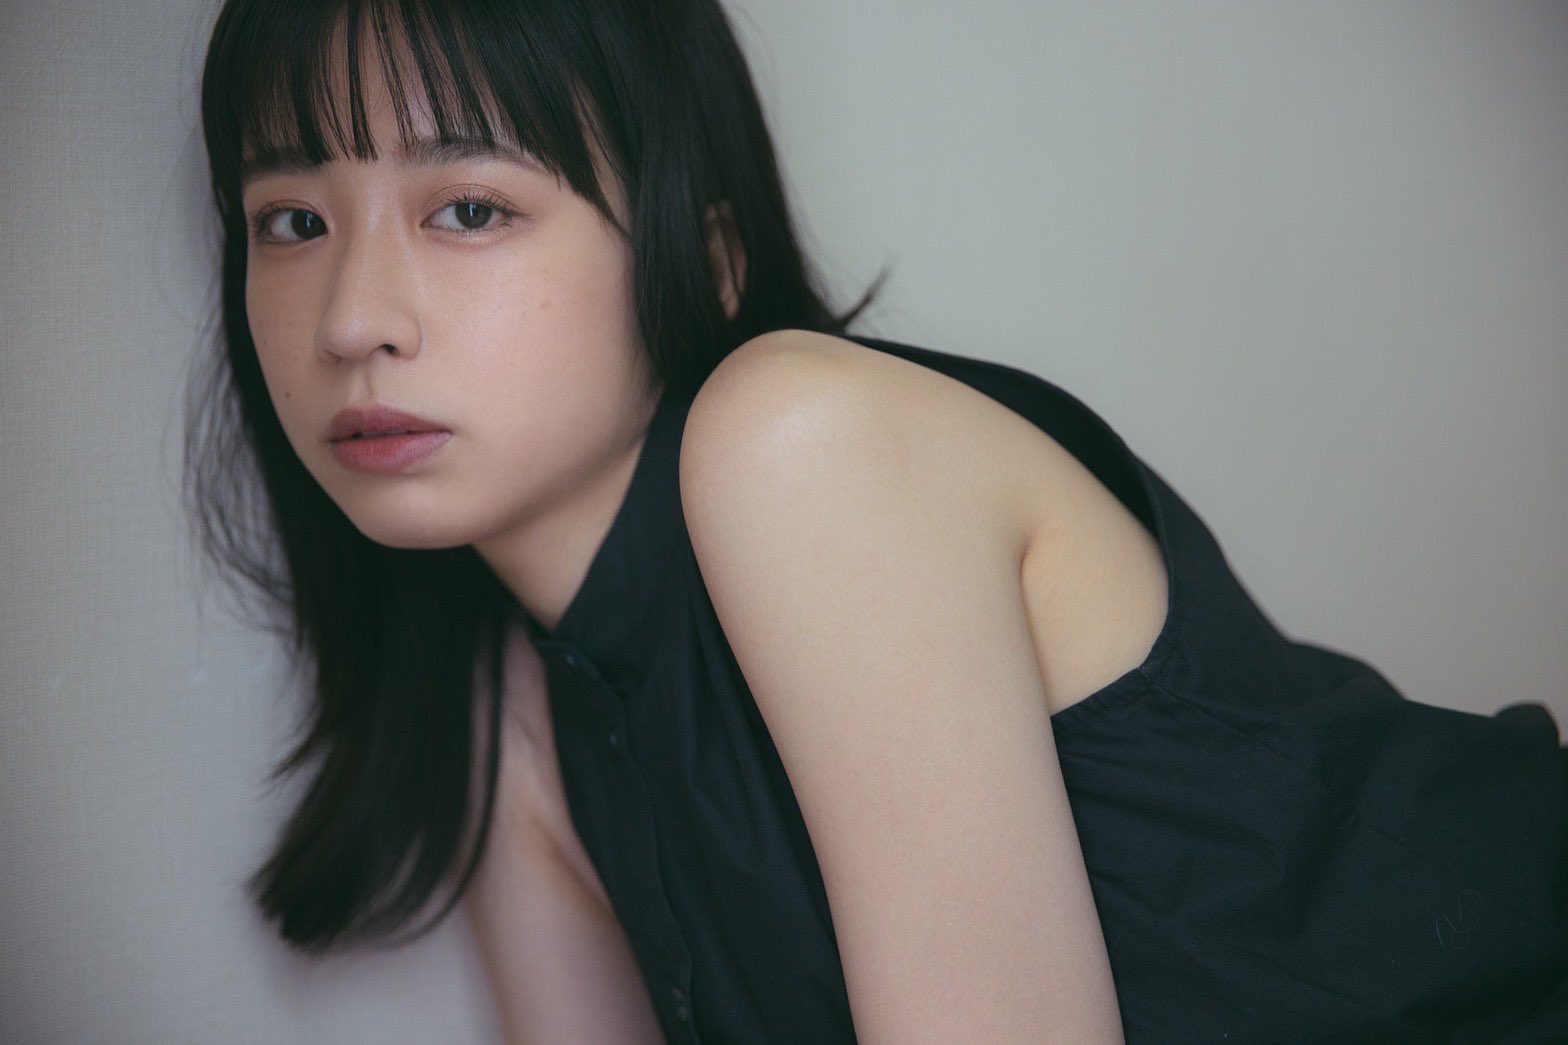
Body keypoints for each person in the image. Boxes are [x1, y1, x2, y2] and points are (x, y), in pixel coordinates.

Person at [190, 0, 1568, 1040]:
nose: (352, 321)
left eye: (469, 207)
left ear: (708, 258)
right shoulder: (513, 715)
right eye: (292, 221)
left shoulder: (800, 440)